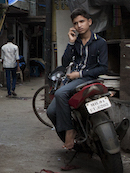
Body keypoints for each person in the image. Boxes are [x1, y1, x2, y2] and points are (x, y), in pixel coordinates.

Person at [46, 9, 108, 150]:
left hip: (88, 79)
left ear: (89, 22)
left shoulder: (100, 43)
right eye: (76, 23)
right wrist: (71, 42)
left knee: (60, 93)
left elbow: (103, 68)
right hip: (72, 81)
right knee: (51, 112)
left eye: (82, 21)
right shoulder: (76, 43)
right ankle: (71, 138)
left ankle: (70, 131)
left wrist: (79, 74)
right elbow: (65, 62)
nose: (79, 25)